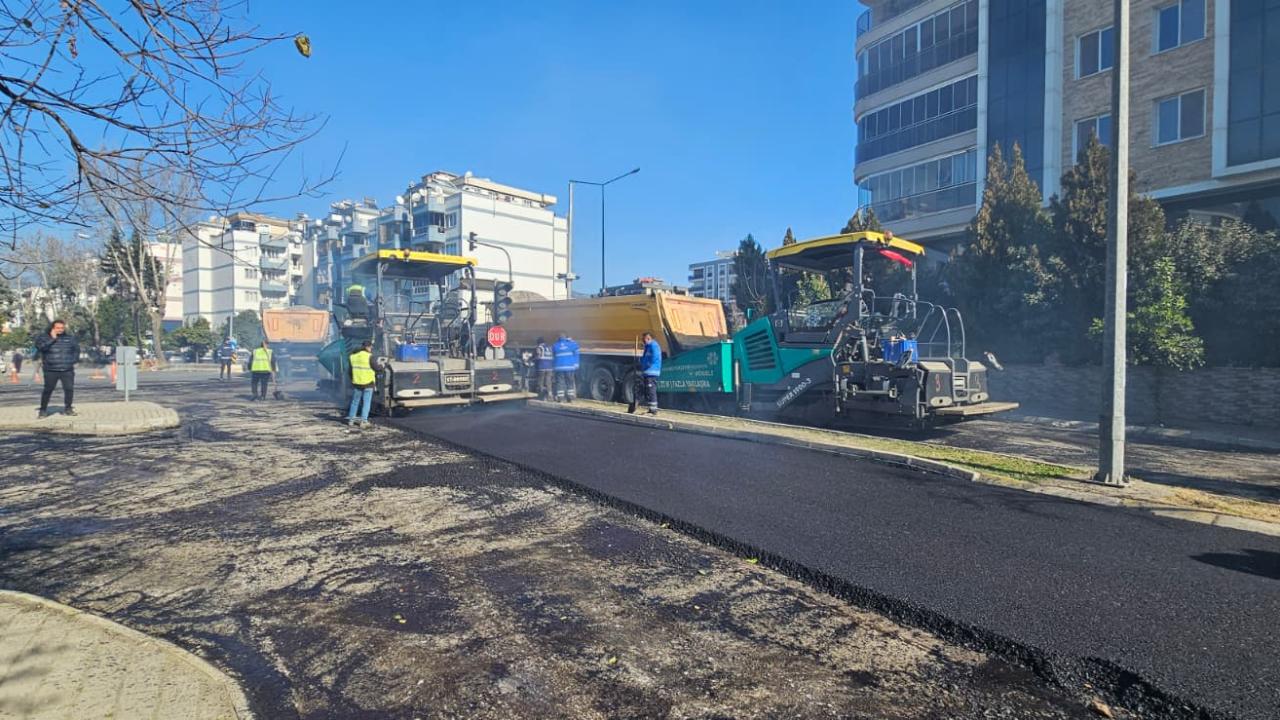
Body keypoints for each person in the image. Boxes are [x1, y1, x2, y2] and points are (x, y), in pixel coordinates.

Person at [33, 319, 80, 418]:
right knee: (48, 390)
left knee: (69, 389)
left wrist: (73, 360)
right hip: (51, 369)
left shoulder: (70, 338)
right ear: (52, 328)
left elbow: (76, 350)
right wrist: (52, 339)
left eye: (62, 328)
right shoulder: (43, 337)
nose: (60, 330)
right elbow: (41, 348)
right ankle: (43, 410)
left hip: (67, 369)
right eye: (58, 328)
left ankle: (68, 409)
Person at [347, 340, 377, 428]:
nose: (371, 349)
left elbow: (350, 371)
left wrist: (353, 379)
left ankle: (351, 420)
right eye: (371, 347)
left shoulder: (353, 356)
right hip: (368, 383)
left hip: (357, 383)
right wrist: (382, 367)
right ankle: (363, 421)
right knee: (366, 402)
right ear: (368, 347)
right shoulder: (369, 356)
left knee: (355, 402)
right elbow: (377, 368)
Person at [639, 331, 662, 415]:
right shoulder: (648, 346)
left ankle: (653, 410)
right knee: (648, 390)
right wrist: (641, 362)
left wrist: (647, 365)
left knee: (651, 390)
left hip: (652, 372)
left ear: (649, 338)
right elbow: (645, 357)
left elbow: (654, 357)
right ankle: (650, 409)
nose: (643, 340)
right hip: (647, 372)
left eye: (644, 338)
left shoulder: (654, 346)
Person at [552, 332, 579, 403]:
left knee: (560, 383)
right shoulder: (571, 344)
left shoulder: (555, 345)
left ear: (559, 338)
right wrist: (571, 340)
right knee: (570, 382)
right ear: (566, 338)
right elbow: (576, 347)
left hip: (559, 367)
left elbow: (553, 355)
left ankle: (561, 398)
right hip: (569, 367)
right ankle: (571, 398)